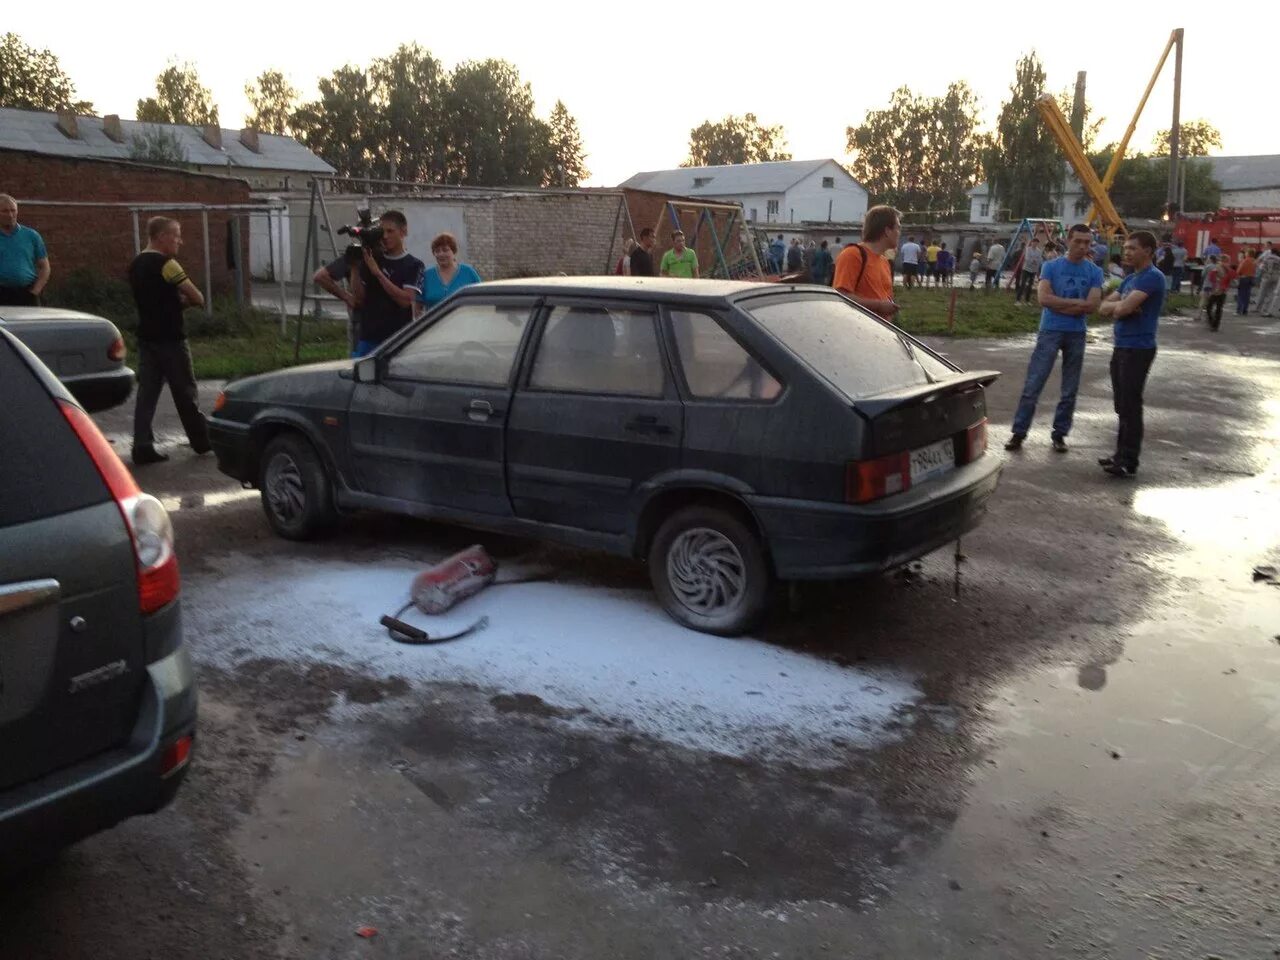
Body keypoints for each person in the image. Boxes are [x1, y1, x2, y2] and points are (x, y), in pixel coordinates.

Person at [1004, 224, 1103, 454]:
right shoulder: (1051, 266)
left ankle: (1060, 434)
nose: (1082, 246)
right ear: (1068, 240)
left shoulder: (1094, 272)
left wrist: (1064, 304)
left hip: (1077, 333)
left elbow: (1093, 305)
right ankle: (1019, 433)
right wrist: (1078, 305)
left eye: (1087, 242)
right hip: (1050, 330)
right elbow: (1044, 299)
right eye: (1078, 241)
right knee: (1034, 383)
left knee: (1070, 387)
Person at [128, 216, 212, 465]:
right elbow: (198, 298)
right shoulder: (168, 265)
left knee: (147, 394)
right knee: (185, 391)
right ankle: (201, 440)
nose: (180, 241)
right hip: (171, 338)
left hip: (146, 337)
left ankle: (141, 445)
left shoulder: (135, 264)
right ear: (161, 236)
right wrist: (179, 304)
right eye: (176, 235)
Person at [1098, 231, 1166, 478]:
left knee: (1131, 405)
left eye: (1132, 249)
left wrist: (1123, 307)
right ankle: (1119, 454)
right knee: (1121, 404)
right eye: (1125, 248)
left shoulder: (1152, 278)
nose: (1126, 252)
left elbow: (1121, 308)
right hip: (1122, 345)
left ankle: (1129, 460)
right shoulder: (1130, 279)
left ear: (1147, 251)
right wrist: (1123, 306)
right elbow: (1105, 307)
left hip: (1139, 348)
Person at [350, 210, 425, 357]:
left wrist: (378, 273)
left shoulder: (414, 265)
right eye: (382, 232)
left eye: (390, 231)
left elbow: (405, 301)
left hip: (397, 339)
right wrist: (354, 268)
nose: (385, 236)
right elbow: (359, 297)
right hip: (368, 337)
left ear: (403, 232)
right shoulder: (374, 258)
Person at [833, 204, 900, 321]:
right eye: (897, 228)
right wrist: (879, 306)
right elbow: (841, 297)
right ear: (887, 231)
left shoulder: (884, 261)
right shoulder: (852, 254)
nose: (899, 233)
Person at [0, 193, 50, 306]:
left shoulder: (31, 236)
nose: (10, 215)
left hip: (27, 292)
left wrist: (35, 291)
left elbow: (44, 267)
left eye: (13, 210)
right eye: (5, 211)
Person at [418, 232, 481, 313]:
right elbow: (417, 307)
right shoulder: (426, 275)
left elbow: (480, 300)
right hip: (435, 324)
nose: (441, 254)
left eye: (445, 250)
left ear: (453, 252)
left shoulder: (469, 272)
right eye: (437, 251)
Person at [312, 255, 361, 351]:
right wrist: (347, 297)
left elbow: (320, 276)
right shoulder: (355, 256)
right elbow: (320, 276)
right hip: (361, 321)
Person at [1203, 256, 1231, 331]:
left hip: (1216, 291)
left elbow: (1211, 276)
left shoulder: (1218, 267)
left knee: (1209, 306)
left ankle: (1212, 322)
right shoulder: (1227, 269)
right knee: (1218, 308)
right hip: (1223, 291)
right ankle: (1215, 325)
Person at [1015, 238, 1044, 304]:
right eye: (1034, 242)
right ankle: (1018, 300)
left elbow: (1039, 260)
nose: (1035, 244)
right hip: (1026, 269)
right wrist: (1034, 260)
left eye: (1036, 243)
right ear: (1032, 243)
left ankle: (1027, 300)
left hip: (1033, 270)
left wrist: (1034, 260)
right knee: (1023, 284)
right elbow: (1027, 258)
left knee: (1030, 285)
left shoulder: (1038, 251)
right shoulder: (1028, 249)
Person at [1256, 244, 1280, 317]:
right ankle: (1267, 309)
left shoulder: (1266, 258)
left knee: (1262, 292)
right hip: (1276, 277)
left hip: (1266, 277)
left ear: (1271, 252)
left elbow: (1262, 268)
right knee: (1271, 294)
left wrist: (1259, 277)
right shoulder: (1279, 259)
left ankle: (1258, 308)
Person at [1235, 248, 1257, 315]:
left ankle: (1239, 310)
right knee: (1247, 295)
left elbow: (1239, 270)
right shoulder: (1255, 261)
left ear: (1248, 253)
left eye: (1246, 252)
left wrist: (1236, 275)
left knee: (1241, 295)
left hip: (1244, 278)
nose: (1245, 253)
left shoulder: (1245, 260)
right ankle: (1245, 310)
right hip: (1251, 278)